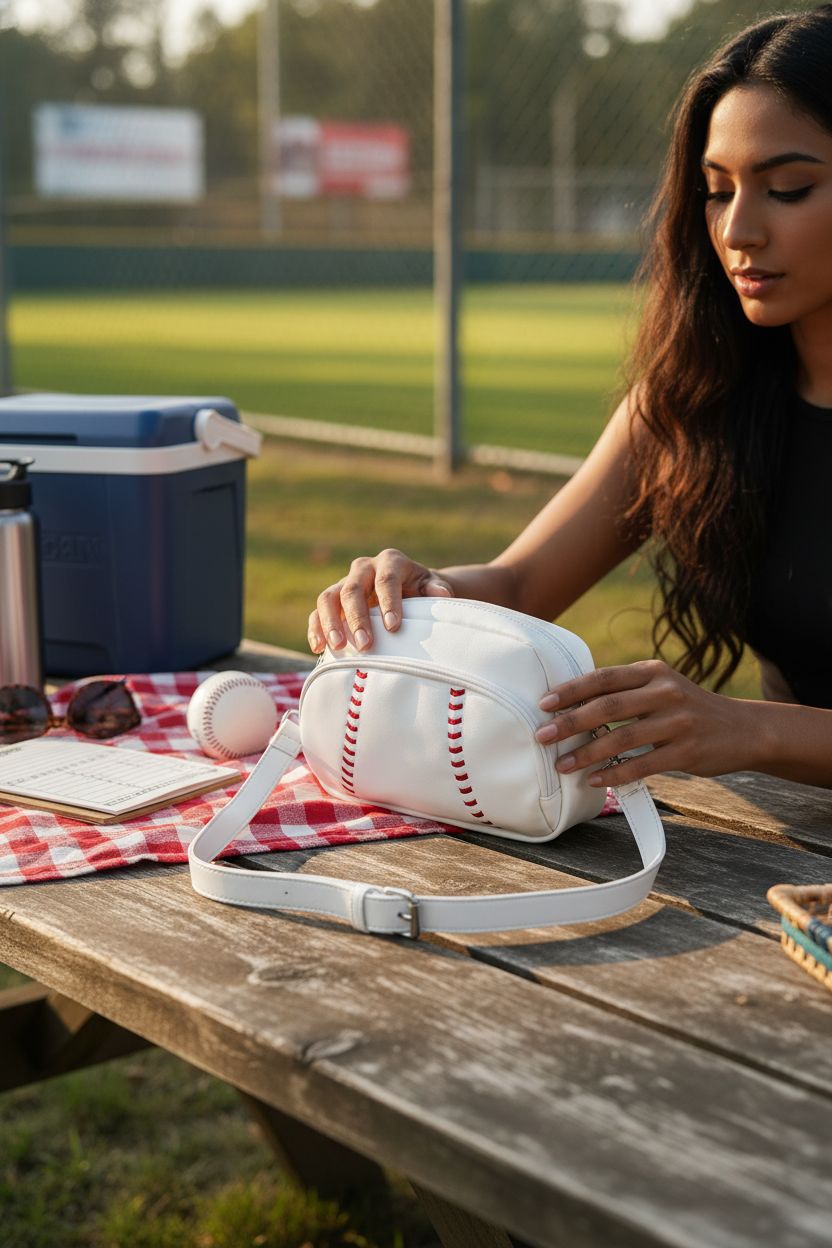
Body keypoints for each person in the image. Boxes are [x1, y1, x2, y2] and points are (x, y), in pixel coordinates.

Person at [308, 5, 832, 791]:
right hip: (787, 858)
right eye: (717, 192)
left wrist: (751, 726)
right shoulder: (698, 394)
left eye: (788, 188)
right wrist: (423, 591)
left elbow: (751, 728)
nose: (738, 230)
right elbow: (521, 586)